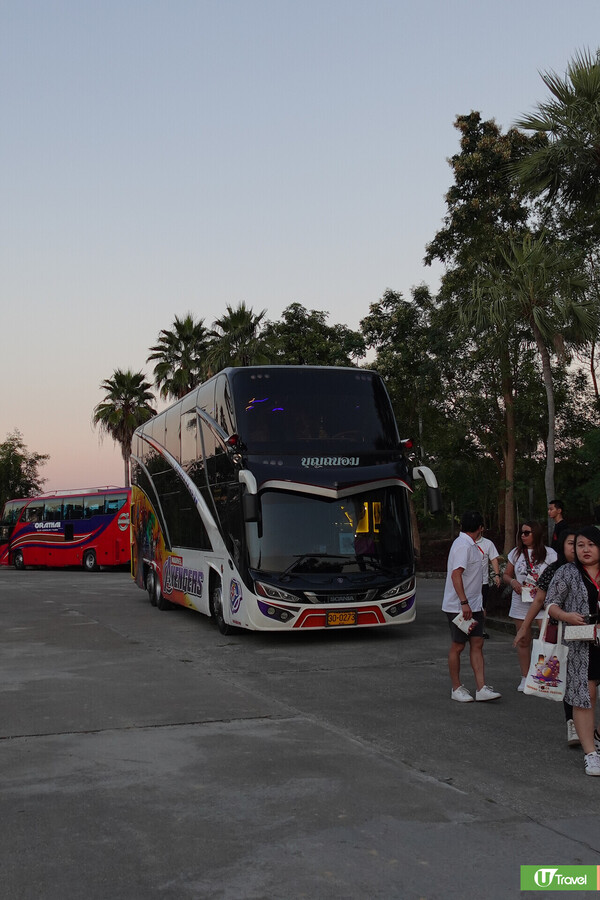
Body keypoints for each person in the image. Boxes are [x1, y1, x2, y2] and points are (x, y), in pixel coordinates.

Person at [513, 529, 579, 745]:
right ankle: (573, 723)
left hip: (591, 632)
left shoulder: (592, 570)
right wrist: (524, 628)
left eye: (585, 544)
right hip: (564, 631)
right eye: (572, 543)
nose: (578, 548)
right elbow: (539, 600)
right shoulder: (555, 570)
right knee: (571, 680)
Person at [546, 527, 600, 776]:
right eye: (580, 545)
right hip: (581, 645)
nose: (585, 550)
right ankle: (591, 754)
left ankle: (595, 735)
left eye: (591, 544)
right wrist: (566, 616)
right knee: (584, 696)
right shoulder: (567, 572)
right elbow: (551, 605)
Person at [442, 511, 501, 703]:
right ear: (480, 528)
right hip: (459, 606)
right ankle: (456, 687)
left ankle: (481, 688)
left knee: (477, 643)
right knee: (458, 645)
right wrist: (463, 602)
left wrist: (474, 603)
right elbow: (456, 575)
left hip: (474, 604)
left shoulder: (472, 545)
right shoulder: (462, 546)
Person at [503, 520, 557, 692]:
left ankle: (543, 676)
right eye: (521, 533)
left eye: (527, 533)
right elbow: (506, 574)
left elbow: (557, 575)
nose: (523, 536)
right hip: (521, 601)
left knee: (545, 639)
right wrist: (513, 582)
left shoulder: (550, 554)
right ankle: (525, 676)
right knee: (523, 639)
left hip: (542, 602)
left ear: (537, 534)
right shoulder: (516, 553)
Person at [475, 528, 501, 638]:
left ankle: (481, 629)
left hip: (483, 582)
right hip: (468, 582)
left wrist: (497, 575)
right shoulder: (466, 542)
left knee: (482, 606)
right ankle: (466, 629)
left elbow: (494, 559)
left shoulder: (488, 543)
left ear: (481, 528)